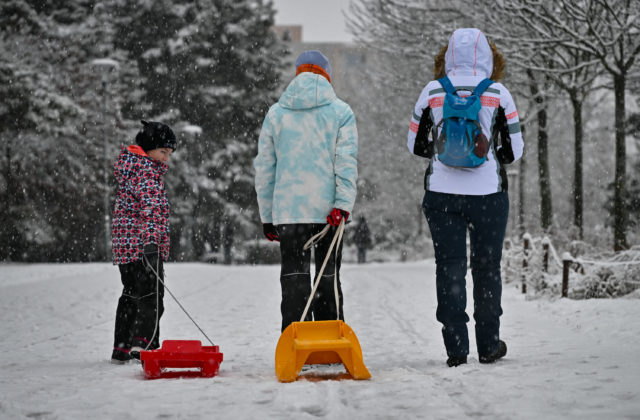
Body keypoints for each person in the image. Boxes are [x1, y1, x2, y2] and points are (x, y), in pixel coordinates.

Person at [407, 28, 524, 367]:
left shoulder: (432, 91)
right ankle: (488, 345)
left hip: (442, 194)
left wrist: (443, 153)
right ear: (488, 56)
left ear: (448, 56)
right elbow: (513, 151)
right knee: (487, 268)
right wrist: (488, 156)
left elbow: (414, 145)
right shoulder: (498, 93)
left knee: (450, 268)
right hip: (487, 193)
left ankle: (456, 348)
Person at [254, 50, 358, 332]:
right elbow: (345, 164)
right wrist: (343, 204)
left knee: (294, 280)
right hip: (329, 213)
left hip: (289, 211)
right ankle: (328, 342)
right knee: (327, 278)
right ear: (327, 74)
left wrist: (268, 216)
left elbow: (265, 170)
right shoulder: (341, 113)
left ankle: (295, 342)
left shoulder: (276, 114)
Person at [110, 120, 177, 364]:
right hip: (143, 245)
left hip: (125, 247)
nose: (166, 159)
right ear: (148, 148)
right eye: (163, 152)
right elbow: (153, 209)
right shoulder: (146, 171)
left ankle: (122, 347)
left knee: (130, 293)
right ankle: (144, 343)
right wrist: (151, 244)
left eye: (169, 154)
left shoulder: (130, 168)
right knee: (152, 295)